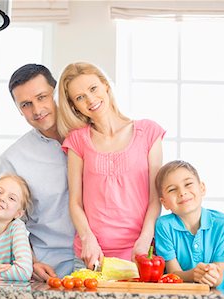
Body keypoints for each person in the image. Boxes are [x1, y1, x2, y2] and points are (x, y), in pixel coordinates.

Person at [57, 62, 165, 269]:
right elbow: (75, 202)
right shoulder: (77, 141)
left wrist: (144, 240)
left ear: (106, 86)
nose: (90, 99)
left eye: (93, 88)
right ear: (74, 106)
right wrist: (88, 238)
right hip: (91, 256)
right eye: (79, 97)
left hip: (140, 254)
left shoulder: (149, 132)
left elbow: (155, 199)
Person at [0, 64, 75, 281]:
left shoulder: (94, 136)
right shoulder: (12, 159)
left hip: (105, 267)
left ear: (57, 93)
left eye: (42, 97)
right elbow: (8, 223)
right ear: (19, 110)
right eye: (26, 104)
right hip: (49, 272)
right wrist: (30, 263)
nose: (37, 109)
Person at [154, 160, 224, 291]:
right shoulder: (163, 226)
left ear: (202, 188)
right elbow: (173, 273)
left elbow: (218, 275)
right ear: (164, 203)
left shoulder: (223, 224)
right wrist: (193, 274)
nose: (182, 192)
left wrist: (212, 274)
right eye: (172, 189)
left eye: (188, 184)